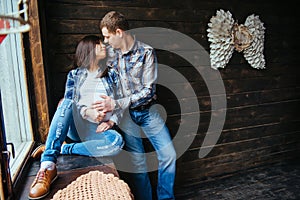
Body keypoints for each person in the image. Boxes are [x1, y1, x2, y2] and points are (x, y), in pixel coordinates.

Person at [28, 35, 124, 200]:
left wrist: (111, 120)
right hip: (77, 126)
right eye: (99, 44)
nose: (103, 46)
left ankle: (63, 148)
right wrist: (87, 111)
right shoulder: (75, 75)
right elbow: (70, 102)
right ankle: (48, 165)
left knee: (117, 142)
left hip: (98, 129)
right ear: (88, 50)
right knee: (66, 102)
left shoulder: (112, 75)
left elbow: (120, 103)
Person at [97, 11, 177, 200]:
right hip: (125, 117)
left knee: (169, 155)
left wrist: (116, 103)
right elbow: (108, 85)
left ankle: (166, 198)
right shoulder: (109, 56)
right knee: (139, 166)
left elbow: (148, 91)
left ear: (119, 32)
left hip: (149, 112)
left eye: (107, 36)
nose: (106, 41)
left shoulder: (146, 52)